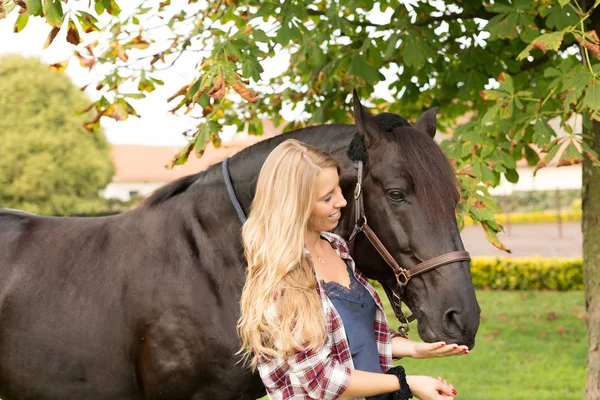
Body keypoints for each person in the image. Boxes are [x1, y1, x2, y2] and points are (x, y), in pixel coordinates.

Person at [237, 139, 468, 400]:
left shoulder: (337, 248)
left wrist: (416, 349)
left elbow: (358, 337)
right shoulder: (281, 280)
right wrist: (407, 383)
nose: (342, 202)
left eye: (338, 189)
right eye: (327, 197)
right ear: (294, 205)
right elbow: (321, 381)